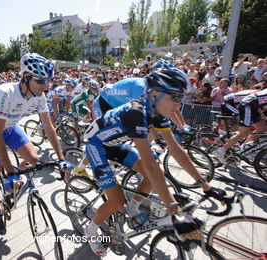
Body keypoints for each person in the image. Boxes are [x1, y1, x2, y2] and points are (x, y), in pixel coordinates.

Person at [83, 68, 226, 256]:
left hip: (116, 144)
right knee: (117, 202)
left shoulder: (157, 113)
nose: (179, 104)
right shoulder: (136, 112)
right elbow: (150, 165)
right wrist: (175, 210)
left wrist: (206, 186)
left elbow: (176, 150)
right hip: (97, 146)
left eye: (181, 98)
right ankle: (90, 231)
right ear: (155, 94)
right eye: (175, 97)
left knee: (155, 176)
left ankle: (134, 206)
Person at [0, 53, 70, 235]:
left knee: (34, 158)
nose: (46, 86)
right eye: (41, 81)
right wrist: (10, 172)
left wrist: (61, 159)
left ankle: (17, 177)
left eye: (49, 81)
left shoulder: (39, 95)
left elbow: (49, 128)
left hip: (10, 126)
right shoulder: (6, 93)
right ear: (26, 77)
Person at [213, 88, 267, 164]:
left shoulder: (260, 93)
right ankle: (221, 150)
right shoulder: (257, 93)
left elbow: (259, 107)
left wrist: (263, 117)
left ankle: (244, 149)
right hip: (233, 103)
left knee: (262, 128)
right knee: (244, 131)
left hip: (250, 106)